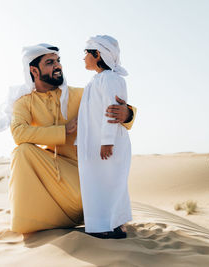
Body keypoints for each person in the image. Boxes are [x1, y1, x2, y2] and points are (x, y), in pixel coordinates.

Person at [0, 43, 136, 234]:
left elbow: (111, 107)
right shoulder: (24, 102)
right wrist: (64, 130)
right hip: (52, 174)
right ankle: (34, 220)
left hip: (83, 176)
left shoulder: (81, 95)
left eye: (58, 61)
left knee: (91, 187)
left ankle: (95, 216)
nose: (58, 66)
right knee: (22, 152)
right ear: (34, 71)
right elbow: (18, 133)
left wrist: (127, 114)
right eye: (50, 62)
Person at [76, 35, 132, 239]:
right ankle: (104, 225)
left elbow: (112, 111)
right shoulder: (97, 80)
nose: (83, 58)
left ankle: (112, 226)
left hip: (108, 145)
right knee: (98, 185)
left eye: (86, 54)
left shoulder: (110, 79)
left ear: (97, 54)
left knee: (110, 185)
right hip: (96, 146)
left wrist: (107, 141)